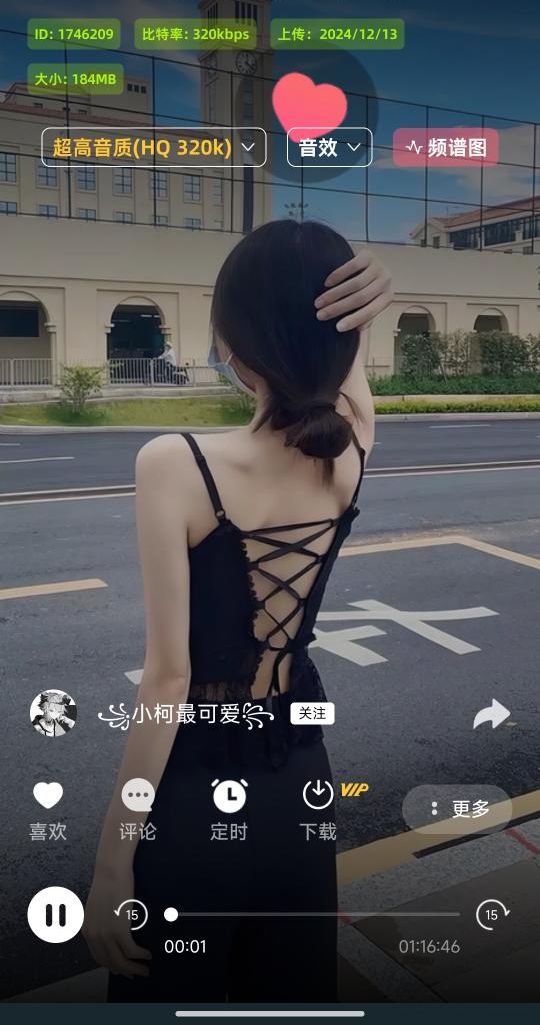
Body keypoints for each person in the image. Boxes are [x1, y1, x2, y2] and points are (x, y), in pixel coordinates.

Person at [83, 222, 392, 1002]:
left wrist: (111, 865)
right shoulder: (350, 450)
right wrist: (366, 308)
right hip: (300, 782)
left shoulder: (176, 464)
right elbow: (348, 375)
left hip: (196, 791)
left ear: (229, 341)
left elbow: (168, 680)